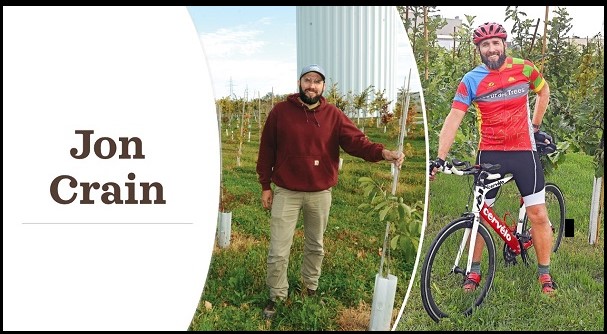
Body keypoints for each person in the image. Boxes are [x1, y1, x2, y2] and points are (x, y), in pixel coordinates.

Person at [256, 64, 404, 318]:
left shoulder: (333, 115)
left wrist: (383, 153)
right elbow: (266, 149)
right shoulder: (280, 112)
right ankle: (277, 295)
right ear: (300, 83)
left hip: (320, 193)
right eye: (307, 80)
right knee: (278, 249)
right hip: (286, 192)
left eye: (316, 81)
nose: (311, 85)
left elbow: (357, 142)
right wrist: (265, 185)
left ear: (323, 86)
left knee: (315, 245)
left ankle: (309, 287)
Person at [429, 22, 557, 295]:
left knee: (538, 213)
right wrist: (439, 157)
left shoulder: (524, 68)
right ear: (478, 50)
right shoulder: (471, 79)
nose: (491, 49)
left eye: (495, 43)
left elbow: (543, 91)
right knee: (479, 214)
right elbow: (454, 118)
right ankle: (473, 271)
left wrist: (535, 125)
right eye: (485, 45)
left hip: (524, 151)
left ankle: (544, 274)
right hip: (491, 153)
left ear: (504, 44)